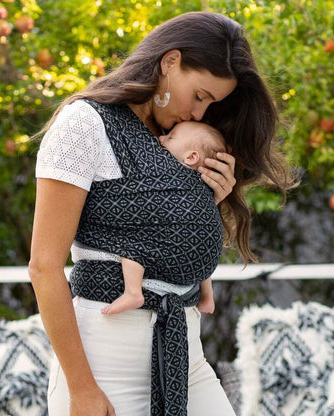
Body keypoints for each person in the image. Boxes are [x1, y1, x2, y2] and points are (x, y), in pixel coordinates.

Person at [29, 11, 295, 416]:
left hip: (184, 358)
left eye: (212, 104)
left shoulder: (183, 143)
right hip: (104, 367)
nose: (201, 113)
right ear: (170, 62)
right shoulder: (85, 124)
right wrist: (82, 388)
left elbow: (174, 248)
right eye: (200, 95)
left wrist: (212, 203)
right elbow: (44, 267)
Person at [101, 121, 225, 316]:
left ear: (191, 157)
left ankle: (133, 292)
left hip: (176, 243)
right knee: (200, 249)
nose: (161, 139)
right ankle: (207, 297)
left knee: (134, 242)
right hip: (208, 252)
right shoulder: (205, 186)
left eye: (171, 137)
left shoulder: (168, 174)